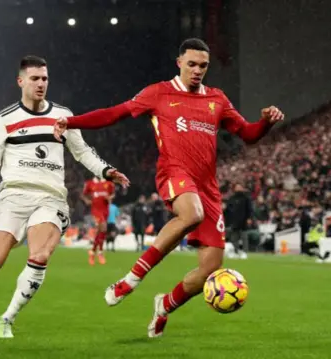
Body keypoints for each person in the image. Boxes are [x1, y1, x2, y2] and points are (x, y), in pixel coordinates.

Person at [54, 38, 283, 338]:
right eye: (192, 64)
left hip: (208, 187)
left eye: (203, 65)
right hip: (174, 172)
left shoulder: (217, 99)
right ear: (179, 63)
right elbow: (115, 113)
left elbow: (248, 134)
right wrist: (70, 122)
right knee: (191, 214)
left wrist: (265, 122)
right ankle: (130, 279)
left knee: (209, 272)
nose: (197, 70)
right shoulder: (158, 93)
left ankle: (163, 306)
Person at [0, 55, 129, 339]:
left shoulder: (63, 116)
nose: (41, 84)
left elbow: (82, 151)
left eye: (45, 78)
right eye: (35, 79)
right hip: (13, 196)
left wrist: (107, 170)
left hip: (50, 197)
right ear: (21, 81)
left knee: (39, 256)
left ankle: (8, 318)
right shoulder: (4, 119)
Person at [82, 177, 115, 265]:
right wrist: (87, 201)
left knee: (101, 231)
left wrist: (109, 198)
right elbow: (83, 194)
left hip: (105, 210)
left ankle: (92, 251)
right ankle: (100, 252)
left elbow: (112, 195)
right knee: (103, 228)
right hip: (96, 210)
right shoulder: (90, 183)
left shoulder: (109, 183)